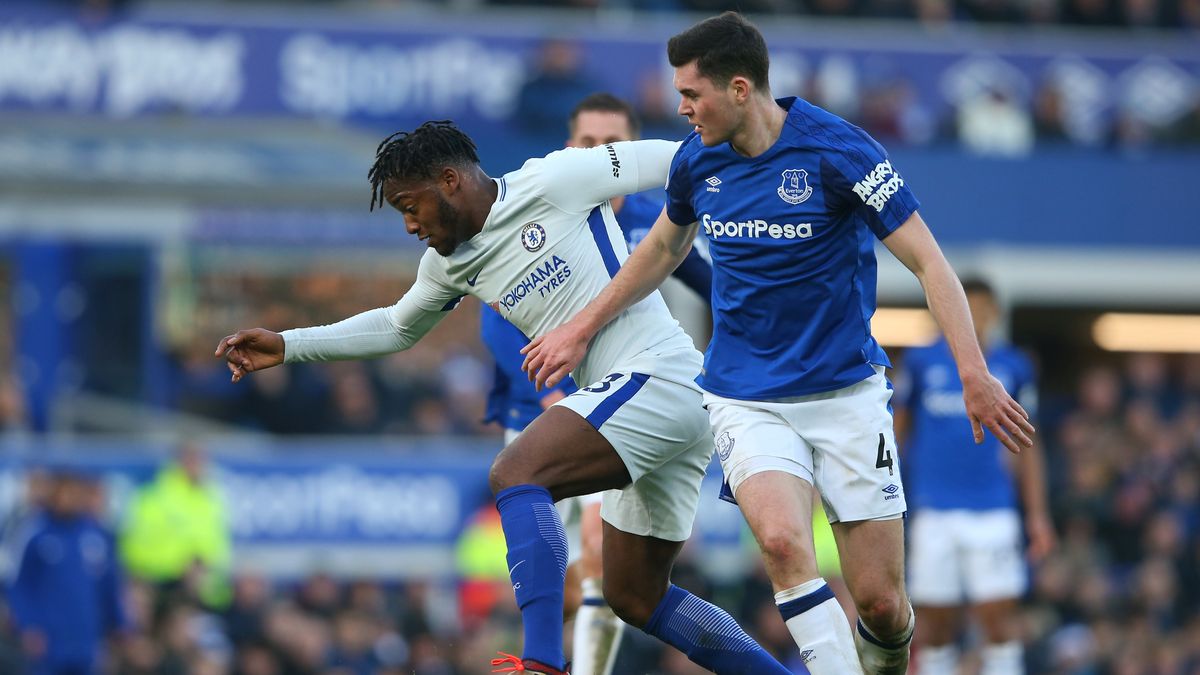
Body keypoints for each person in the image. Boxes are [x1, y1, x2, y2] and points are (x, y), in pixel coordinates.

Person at [521, 12, 1036, 675]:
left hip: (846, 391)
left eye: (692, 94)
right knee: (784, 541)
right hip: (745, 392)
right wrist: (581, 325)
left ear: (740, 88)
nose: (681, 108)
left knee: (880, 603)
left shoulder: (839, 150)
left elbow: (932, 264)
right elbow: (662, 249)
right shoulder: (696, 158)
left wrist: (974, 372)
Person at [215, 120, 791, 675]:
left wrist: (771, 188)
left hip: (660, 376)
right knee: (635, 596)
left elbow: (678, 159)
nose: (411, 225)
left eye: (410, 206)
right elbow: (396, 327)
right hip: (648, 409)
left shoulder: (555, 180)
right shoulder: (448, 263)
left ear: (449, 181)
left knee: (516, 473)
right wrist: (288, 345)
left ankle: (540, 662)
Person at [477, 92, 713, 675]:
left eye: (615, 145)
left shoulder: (653, 224)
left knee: (600, 563)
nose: (601, 154)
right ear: (569, 148)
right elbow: (496, 319)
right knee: (558, 581)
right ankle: (542, 653)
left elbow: (716, 287)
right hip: (538, 407)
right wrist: (547, 392)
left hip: (619, 402)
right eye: (588, 143)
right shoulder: (538, 207)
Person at [895, 278, 1055, 675]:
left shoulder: (1013, 366)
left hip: (993, 508)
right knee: (935, 624)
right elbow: (897, 438)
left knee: (998, 617)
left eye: (983, 309)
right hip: (934, 510)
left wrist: (1036, 513)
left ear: (996, 314)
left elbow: (1029, 445)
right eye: (968, 308)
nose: (976, 318)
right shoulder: (920, 362)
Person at [7, 467, 131, 675]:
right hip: (49, 640)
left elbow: (109, 585)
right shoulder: (36, 533)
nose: (70, 498)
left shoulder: (96, 536)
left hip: (86, 637)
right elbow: (19, 585)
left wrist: (119, 623)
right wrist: (28, 625)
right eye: (65, 492)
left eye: (75, 493)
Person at [120, 443, 232, 610]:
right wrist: (180, 566)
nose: (197, 466)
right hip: (160, 584)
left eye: (200, 461)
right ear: (178, 462)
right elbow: (135, 549)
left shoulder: (211, 499)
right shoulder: (152, 497)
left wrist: (203, 567)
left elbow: (217, 548)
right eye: (191, 460)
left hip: (201, 587)